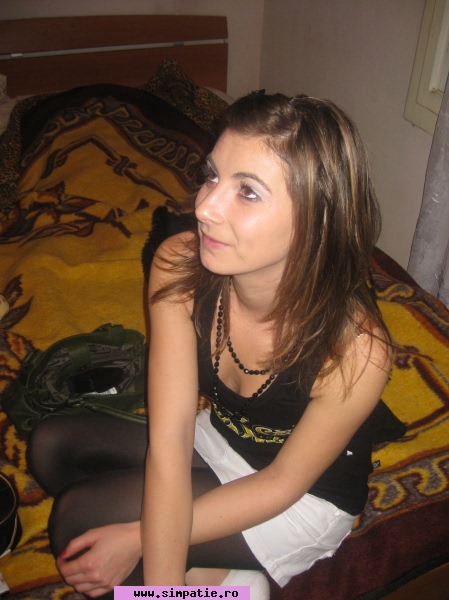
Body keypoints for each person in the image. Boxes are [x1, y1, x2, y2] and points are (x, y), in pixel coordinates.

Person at [26, 92, 392, 599]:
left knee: (76, 519)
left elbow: (281, 484)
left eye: (249, 192)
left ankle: (218, 588)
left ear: (318, 219)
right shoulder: (179, 264)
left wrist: (140, 542)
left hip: (299, 497)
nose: (204, 207)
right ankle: (218, 578)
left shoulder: (356, 350)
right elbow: (170, 442)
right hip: (218, 439)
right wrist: (152, 542)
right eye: (213, 175)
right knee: (52, 447)